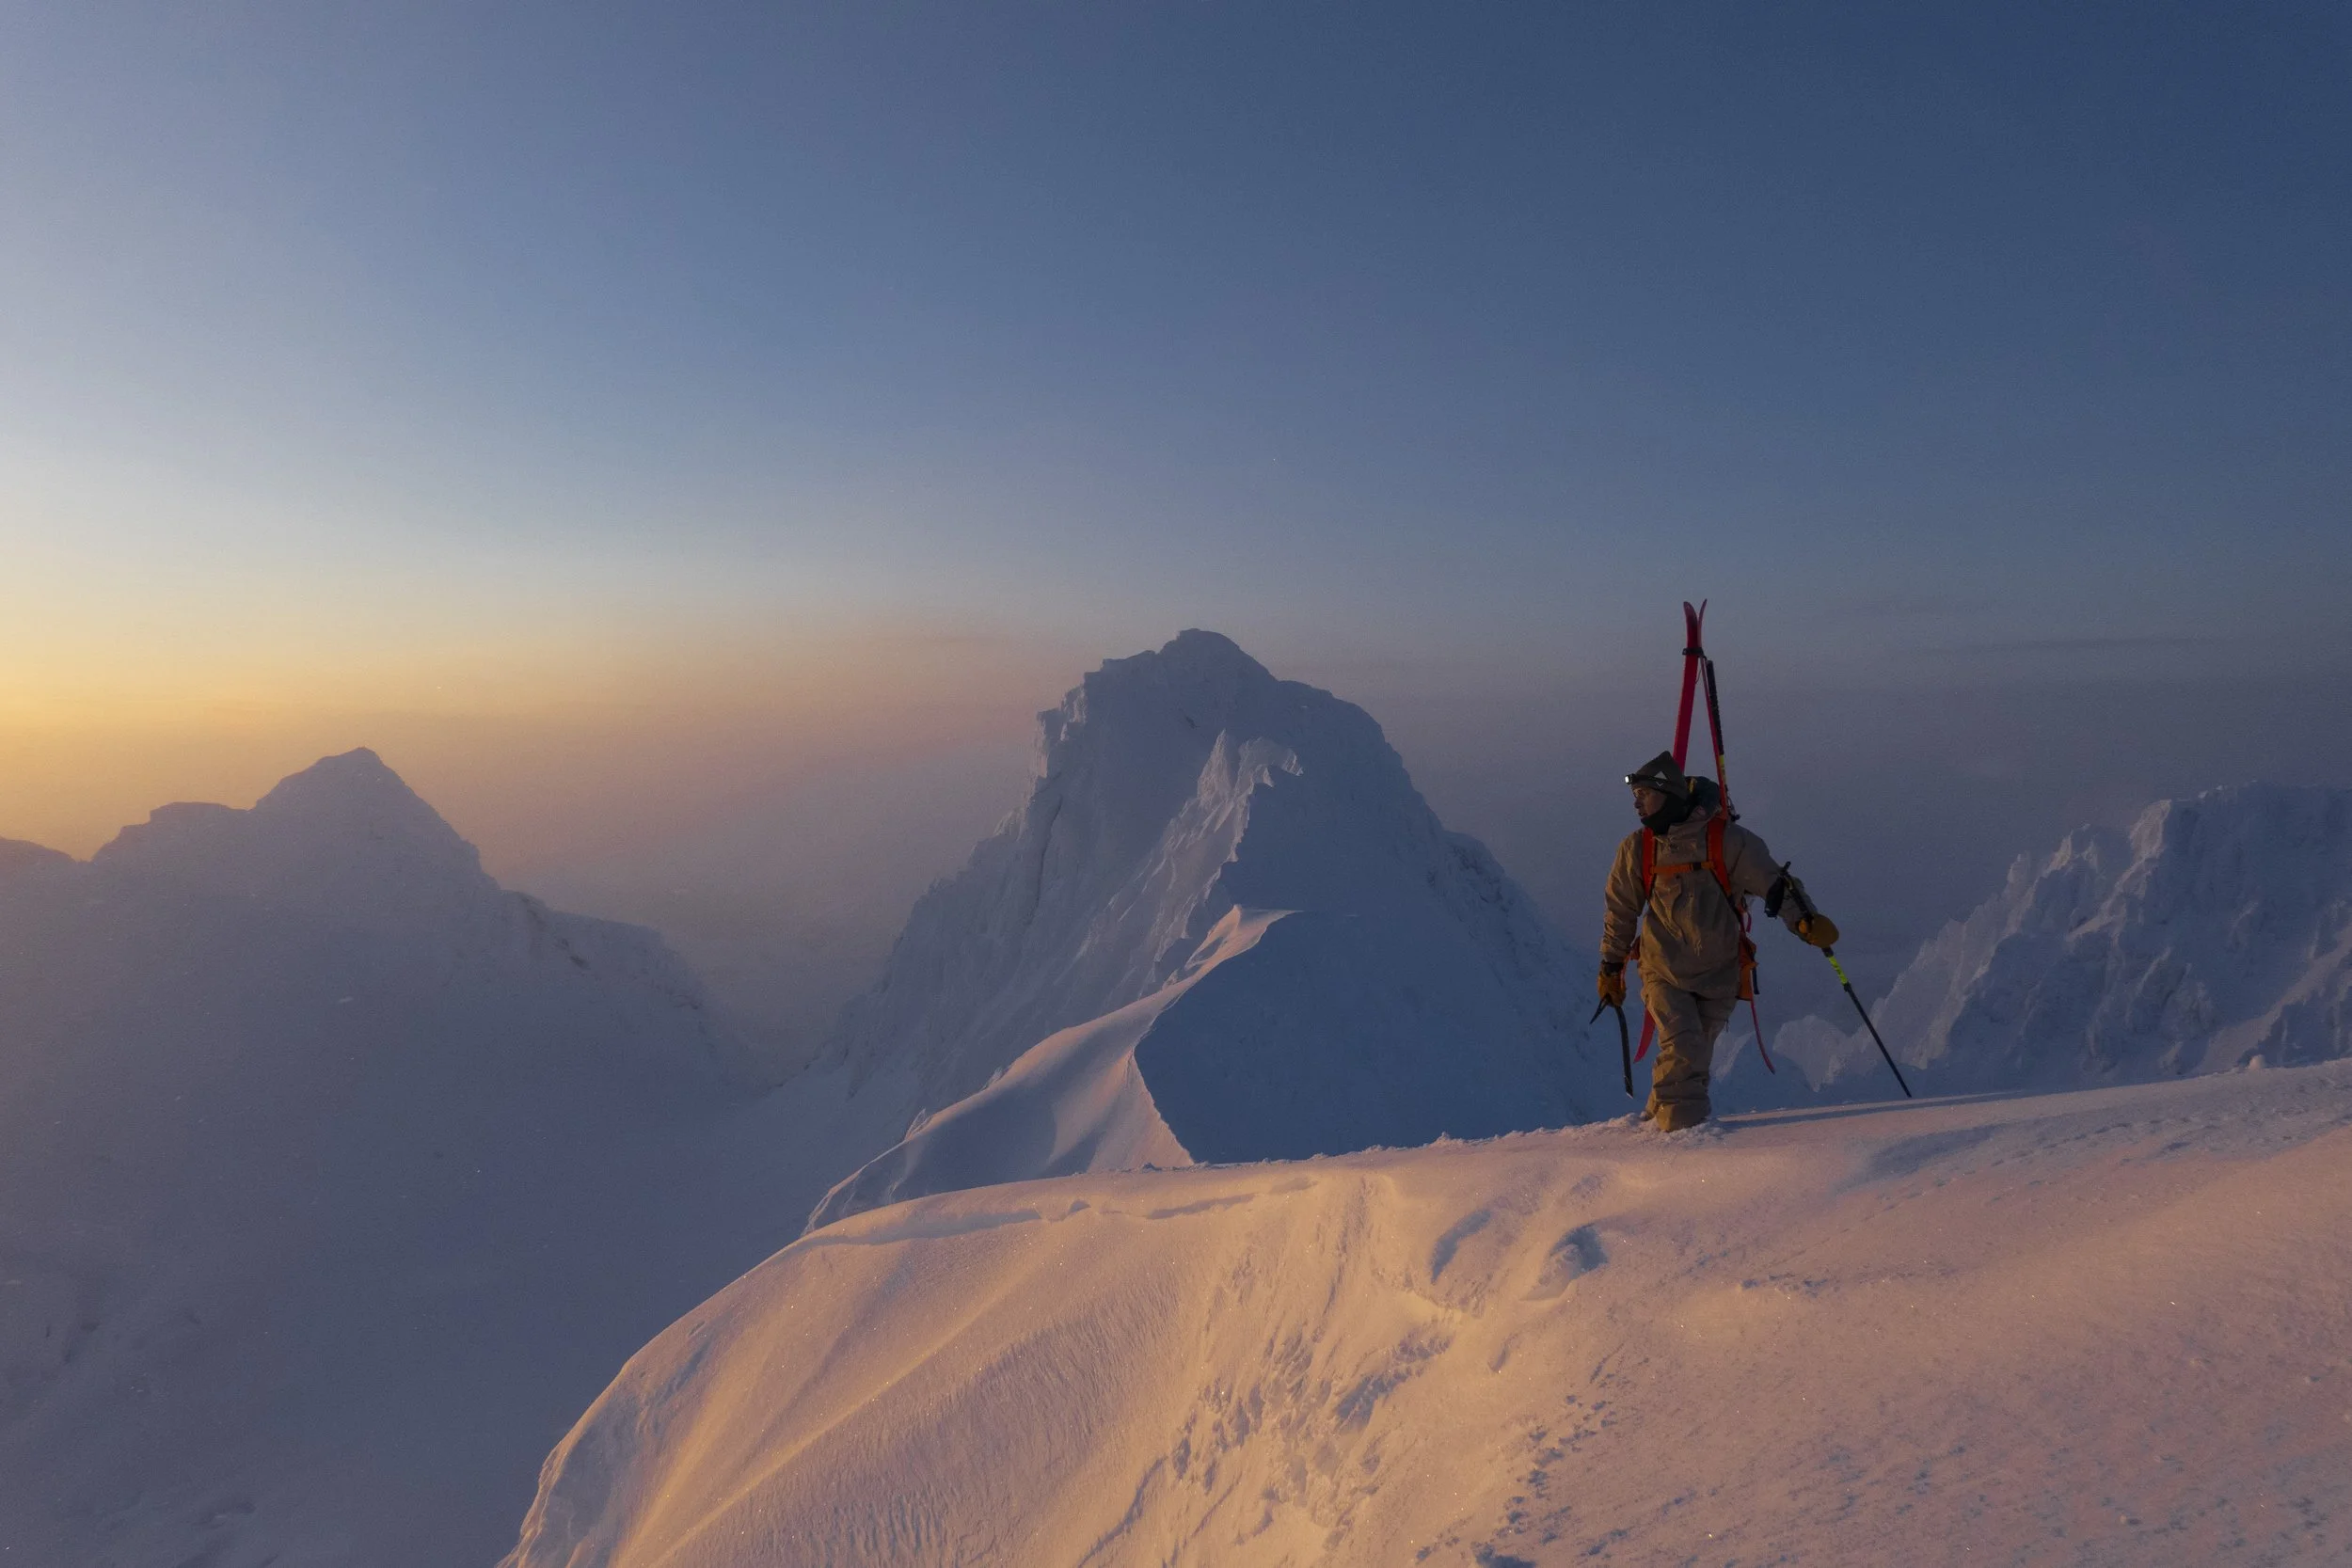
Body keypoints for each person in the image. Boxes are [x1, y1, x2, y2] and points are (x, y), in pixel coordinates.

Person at [1598, 752, 1838, 1130]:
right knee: (1684, 1047)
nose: (1636, 803)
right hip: (1663, 971)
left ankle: (1653, 1129)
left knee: (1690, 1061)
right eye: (1635, 795)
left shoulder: (1725, 841)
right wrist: (1611, 967)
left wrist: (1805, 920)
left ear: (1667, 794)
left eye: (1644, 794)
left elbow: (1774, 884)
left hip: (1719, 976)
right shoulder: (1638, 849)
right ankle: (1680, 1141)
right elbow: (1621, 911)